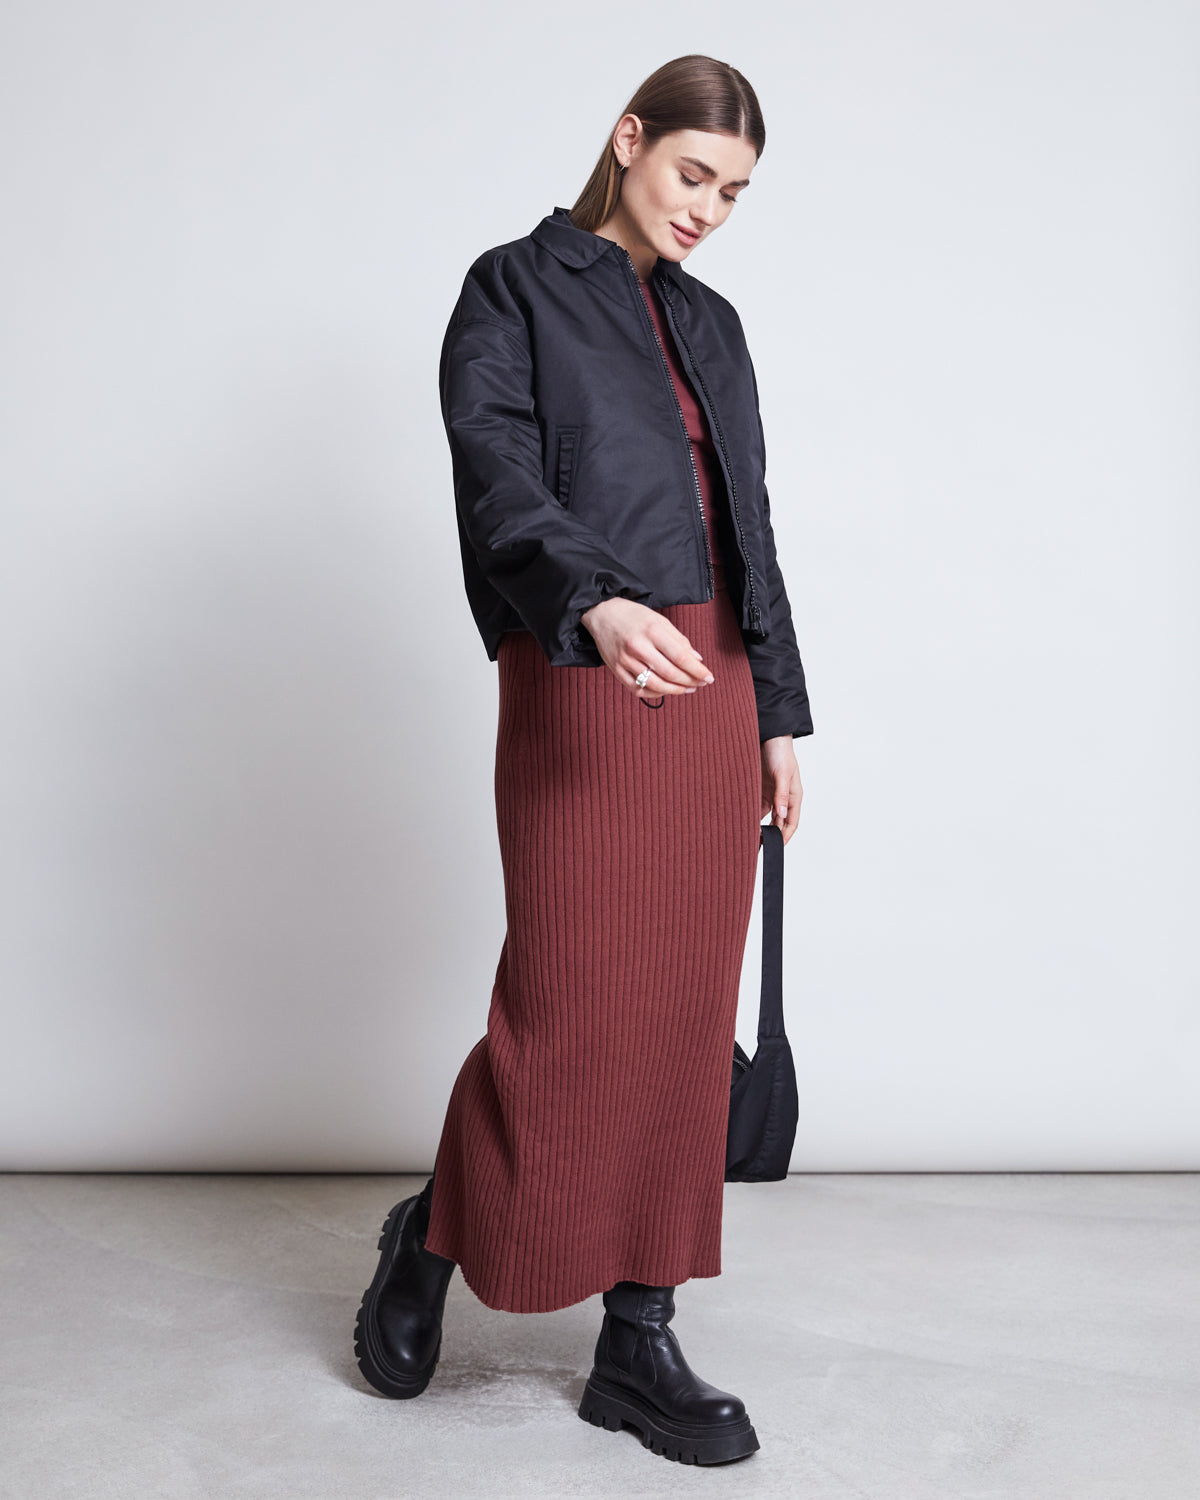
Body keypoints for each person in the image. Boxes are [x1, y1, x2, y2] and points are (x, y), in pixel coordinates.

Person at [353, 54, 813, 1466]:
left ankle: (641, 1336)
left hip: (712, 680)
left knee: (680, 1014)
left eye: (734, 193)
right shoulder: (512, 288)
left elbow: (752, 524)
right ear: (627, 142)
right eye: (692, 175)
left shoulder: (716, 325)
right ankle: (433, 1232)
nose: (710, 211)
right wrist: (594, 598)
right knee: (568, 1003)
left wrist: (783, 709)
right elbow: (492, 466)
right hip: (580, 658)